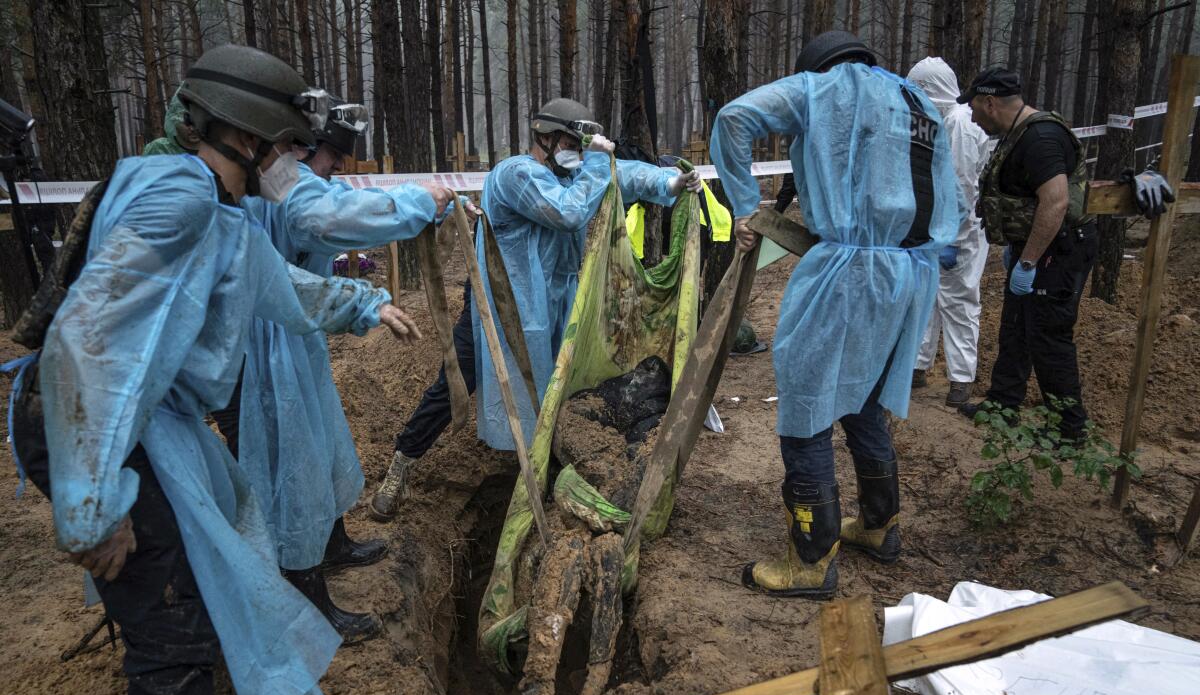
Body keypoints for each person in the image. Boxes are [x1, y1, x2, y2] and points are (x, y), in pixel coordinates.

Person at [7, 44, 422, 695]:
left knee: (193, 577)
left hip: (122, 422)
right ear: (253, 139)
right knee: (171, 629)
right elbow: (89, 345)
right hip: (99, 425)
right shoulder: (183, 199)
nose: (294, 166)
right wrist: (95, 505)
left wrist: (365, 304)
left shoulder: (214, 210)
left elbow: (283, 287)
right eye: (289, 149)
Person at [712, 30, 960, 598]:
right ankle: (879, 526)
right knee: (865, 398)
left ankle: (811, 559)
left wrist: (748, 208)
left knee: (806, 400)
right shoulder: (916, 102)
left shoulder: (822, 88)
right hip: (907, 273)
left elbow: (733, 118)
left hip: (845, 272)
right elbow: (947, 197)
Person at [370, 98, 701, 520]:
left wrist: (669, 183)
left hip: (555, 304)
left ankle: (546, 467)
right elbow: (568, 212)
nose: (577, 154)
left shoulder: (574, 174)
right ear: (544, 137)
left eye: (581, 147)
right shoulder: (515, 174)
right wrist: (599, 163)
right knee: (456, 381)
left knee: (559, 385)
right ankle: (401, 464)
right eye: (570, 142)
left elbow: (626, 177)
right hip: (499, 306)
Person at [218, 96, 459, 644]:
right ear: (294, 149)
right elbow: (327, 220)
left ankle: (331, 544)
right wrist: (416, 203)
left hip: (296, 332)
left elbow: (342, 212)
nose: (332, 169)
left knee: (321, 442)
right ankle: (304, 591)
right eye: (325, 156)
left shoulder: (293, 184)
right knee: (290, 461)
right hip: (264, 347)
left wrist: (422, 211)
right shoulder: (277, 194)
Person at [953, 67, 1097, 438]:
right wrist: (1020, 251)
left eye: (974, 107)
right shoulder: (1017, 134)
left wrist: (1029, 260)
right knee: (1015, 329)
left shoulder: (1041, 139)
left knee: (1048, 336)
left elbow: (1056, 201)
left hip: (1057, 252)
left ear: (990, 102)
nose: (971, 116)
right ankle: (1003, 406)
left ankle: (1068, 429)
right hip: (1035, 249)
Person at [906, 57, 993, 407]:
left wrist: (953, 240)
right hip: (940, 230)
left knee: (959, 303)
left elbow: (962, 187)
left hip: (963, 234)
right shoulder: (945, 121)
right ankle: (918, 366)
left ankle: (960, 380)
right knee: (928, 300)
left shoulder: (959, 123)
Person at [142, 89, 202, 155]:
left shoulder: (212, 151)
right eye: (186, 123)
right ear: (174, 121)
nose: (192, 129)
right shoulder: (159, 150)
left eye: (198, 122)